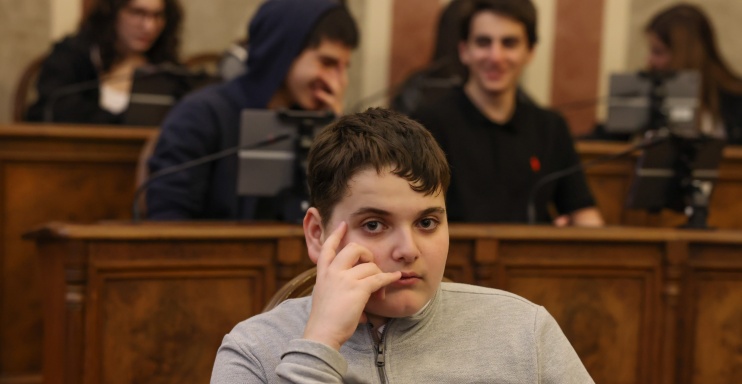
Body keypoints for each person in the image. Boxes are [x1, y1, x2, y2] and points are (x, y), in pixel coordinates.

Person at [208, 107, 644, 384]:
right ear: (318, 235)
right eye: (375, 225)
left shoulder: (523, 328)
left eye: (428, 222)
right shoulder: (252, 351)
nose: (409, 250)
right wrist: (321, 343)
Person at [145, 0, 359, 221]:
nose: (339, 83)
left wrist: (334, 134)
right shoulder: (200, 114)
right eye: (327, 63)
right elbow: (167, 218)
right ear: (283, 52)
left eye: (344, 68)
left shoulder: (315, 120)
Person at [412, 0, 604, 226]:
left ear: (530, 52)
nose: (496, 56)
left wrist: (571, 236)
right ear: (464, 51)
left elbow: (585, 215)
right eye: (484, 42)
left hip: (531, 249)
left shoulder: (551, 127)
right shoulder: (427, 125)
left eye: (509, 43)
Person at [26, 0, 183, 124]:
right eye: (137, 13)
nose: (149, 27)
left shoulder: (168, 68)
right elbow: (56, 108)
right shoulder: (73, 55)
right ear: (111, 12)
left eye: (158, 16)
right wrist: (122, 124)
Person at [645, 3, 742, 144]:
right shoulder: (651, 98)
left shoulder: (735, 101)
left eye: (658, 52)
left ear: (684, 54)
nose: (650, 60)